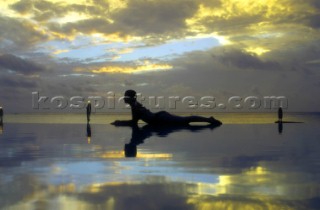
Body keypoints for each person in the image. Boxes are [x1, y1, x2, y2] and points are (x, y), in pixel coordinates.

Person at [112, 90, 222, 126]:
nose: (124, 98)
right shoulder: (135, 105)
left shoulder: (135, 107)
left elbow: (133, 122)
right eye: (124, 96)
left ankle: (209, 120)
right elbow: (135, 121)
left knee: (185, 120)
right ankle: (208, 119)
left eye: (126, 97)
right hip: (160, 118)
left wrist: (119, 122)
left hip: (161, 118)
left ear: (132, 98)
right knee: (185, 121)